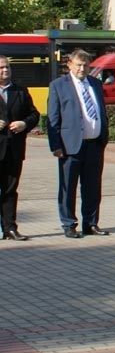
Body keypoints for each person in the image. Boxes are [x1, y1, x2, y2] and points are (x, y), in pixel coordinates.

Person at [47, 49, 109, 238]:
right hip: (69, 146)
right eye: (79, 65)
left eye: (86, 65)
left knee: (92, 186)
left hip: (94, 144)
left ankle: (90, 223)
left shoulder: (95, 84)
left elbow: (101, 110)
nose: (83, 69)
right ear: (70, 65)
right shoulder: (58, 85)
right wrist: (55, 145)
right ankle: (69, 223)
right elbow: (53, 117)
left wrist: (103, 136)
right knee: (68, 187)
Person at [0, 55, 39, 241]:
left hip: (13, 150)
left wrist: (24, 124)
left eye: (7, 67)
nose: (5, 70)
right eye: (1, 68)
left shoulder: (21, 91)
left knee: (10, 190)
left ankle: (10, 228)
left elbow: (34, 115)